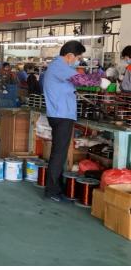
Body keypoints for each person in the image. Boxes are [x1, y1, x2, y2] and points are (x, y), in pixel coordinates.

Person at [42, 40, 86, 203]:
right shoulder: (60, 66)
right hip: (61, 115)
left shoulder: (58, 67)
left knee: (59, 153)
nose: (78, 61)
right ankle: (52, 190)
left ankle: (56, 188)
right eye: (78, 58)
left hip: (59, 113)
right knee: (59, 154)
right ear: (70, 55)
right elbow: (82, 80)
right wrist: (101, 81)